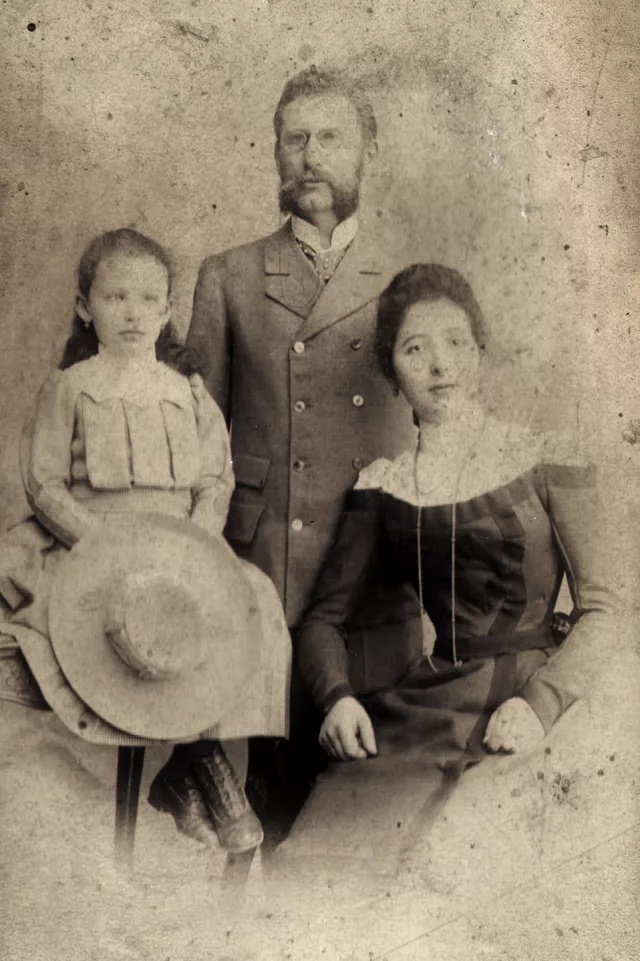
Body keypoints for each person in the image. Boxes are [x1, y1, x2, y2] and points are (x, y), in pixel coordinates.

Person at [281, 262, 616, 890]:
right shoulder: (385, 486)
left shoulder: (545, 458)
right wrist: (336, 697)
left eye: (456, 342)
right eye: (415, 349)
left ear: (480, 350)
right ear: (392, 373)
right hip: (431, 701)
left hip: (537, 694)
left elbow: (610, 608)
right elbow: (323, 619)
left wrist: (541, 705)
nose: (441, 366)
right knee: (322, 865)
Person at [0, 228, 290, 855]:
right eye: (116, 297)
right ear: (86, 308)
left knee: (253, 600)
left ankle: (193, 764)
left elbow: (214, 481)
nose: (132, 313)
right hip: (90, 548)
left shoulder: (187, 392)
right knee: (119, 618)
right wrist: (105, 545)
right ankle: (202, 767)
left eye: (148, 299)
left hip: (180, 550)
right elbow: (45, 485)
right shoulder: (70, 387)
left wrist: (195, 545)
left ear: (166, 310)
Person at [186, 66, 421, 835]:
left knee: (373, 809)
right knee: (273, 808)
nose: (311, 156)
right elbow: (197, 442)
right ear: (275, 152)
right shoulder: (229, 276)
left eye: (330, 138)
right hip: (267, 574)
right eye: (295, 139)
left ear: (368, 151)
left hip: (378, 579)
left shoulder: (410, 281)